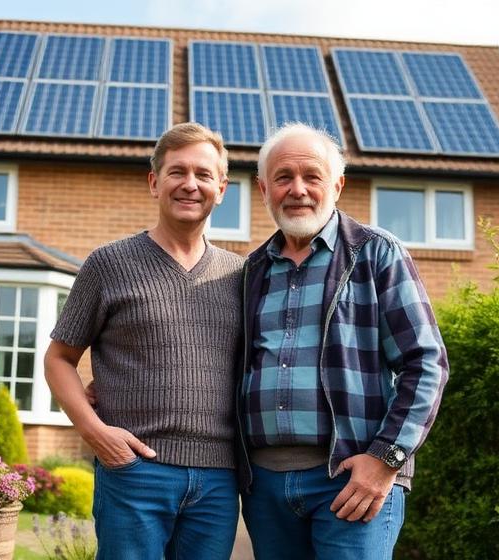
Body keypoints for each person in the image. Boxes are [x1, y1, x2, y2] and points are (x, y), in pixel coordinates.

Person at [237, 123, 449, 559]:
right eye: (283, 177)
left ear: (337, 185)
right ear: (263, 189)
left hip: (353, 477)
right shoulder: (251, 270)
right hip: (266, 485)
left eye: (311, 177)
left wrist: (386, 458)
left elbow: (425, 363)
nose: (298, 190)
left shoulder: (377, 253)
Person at [44, 122, 244, 560]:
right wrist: (95, 432)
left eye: (204, 175)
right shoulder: (108, 264)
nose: (190, 184)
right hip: (135, 470)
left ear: (222, 188)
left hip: (218, 479)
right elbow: (59, 357)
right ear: (155, 182)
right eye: (177, 172)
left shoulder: (241, 275)